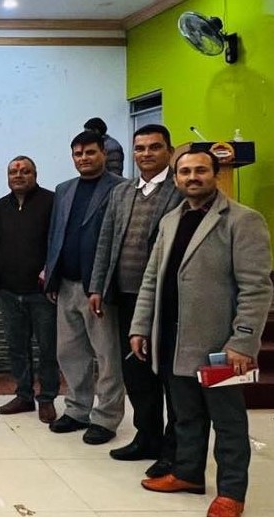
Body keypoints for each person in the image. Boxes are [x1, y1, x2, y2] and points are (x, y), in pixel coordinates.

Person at [130, 149, 273, 517]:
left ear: (216, 174)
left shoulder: (242, 221)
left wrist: (242, 341)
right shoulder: (170, 220)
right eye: (185, 172)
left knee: (228, 423)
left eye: (200, 170)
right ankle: (188, 473)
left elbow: (257, 289)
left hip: (220, 347)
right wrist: (140, 326)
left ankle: (231, 494)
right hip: (173, 340)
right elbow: (151, 279)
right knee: (186, 415)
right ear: (176, 178)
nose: (192, 177)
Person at [88, 124, 183, 476]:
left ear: (169, 151)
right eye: (140, 148)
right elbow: (106, 241)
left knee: (170, 378)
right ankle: (147, 437)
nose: (146, 154)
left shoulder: (180, 191)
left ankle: (174, 450)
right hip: (126, 297)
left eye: (154, 147)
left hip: (167, 301)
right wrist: (97, 286)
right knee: (137, 374)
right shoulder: (123, 192)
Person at [44, 131, 126, 444]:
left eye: (90, 152)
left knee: (106, 355)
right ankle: (78, 410)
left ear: (103, 153)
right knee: (69, 352)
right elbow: (56, 236)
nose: (84, 158)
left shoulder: (121, 189)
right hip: (67, 284)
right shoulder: (64, 189)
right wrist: (52, 277)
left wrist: (103, 286)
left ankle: (106, 418)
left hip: (99, 288)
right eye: (78, 154)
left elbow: (118, 240)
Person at [0, 155, 59, 424]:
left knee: (47, 348)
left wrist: (52, 278)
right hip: (8, 291)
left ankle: (48, 397)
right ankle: (24, 395)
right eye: (13, 172)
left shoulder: (52, 202)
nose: (19, 176)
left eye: (25, 171)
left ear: (35, 174)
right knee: (17, 348)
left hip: (41, 293)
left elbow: (58, 243)